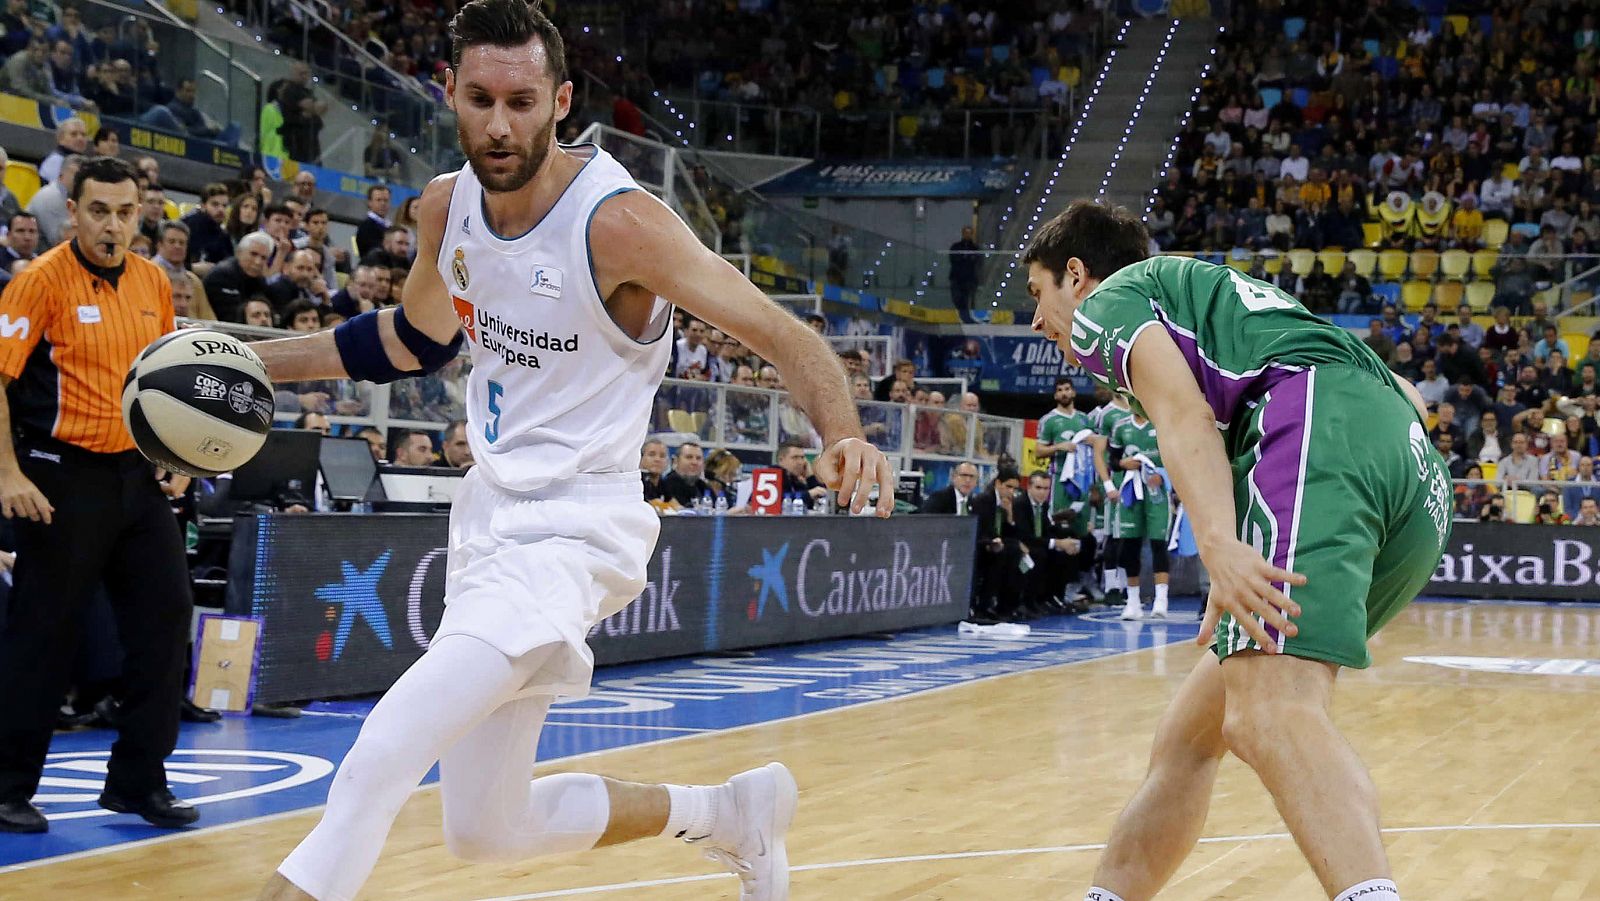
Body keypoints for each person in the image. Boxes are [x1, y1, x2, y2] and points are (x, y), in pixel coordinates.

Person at [247, 6, 894, 899]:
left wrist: (845, 433)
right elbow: (411, 340)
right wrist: (252, 363)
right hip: (488, 524)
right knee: (486, 828)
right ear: (451, 94)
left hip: (575, 530)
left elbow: (783, 334)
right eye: (480, 99)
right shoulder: (446, 208)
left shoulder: (621, 225)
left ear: (561, 100)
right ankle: (725, 814)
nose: (501, 123)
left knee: (377, 762)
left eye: (522, 100)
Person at [1025, 201, 1451, 901]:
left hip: (1322, 429)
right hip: (1413, 479)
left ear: (1076, 274)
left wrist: (1218, 547)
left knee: (1270, 708)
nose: (1038, 321)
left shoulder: (1110, 302)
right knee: (1189, 736)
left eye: (1040, 293)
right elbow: (1404, 393)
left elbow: (1183, 417)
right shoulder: (1219, 302)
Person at [0, 156, 199, 833]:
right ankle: (6, 784)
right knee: (44, 632)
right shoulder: (38, 280)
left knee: (168, 616)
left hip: (136, 475)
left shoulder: (153, 281)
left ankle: (139, 780)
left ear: (141, 213)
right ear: (73, 211)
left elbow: (166, 380)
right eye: (98, 211)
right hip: (59, 476)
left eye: (124, 211)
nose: (112, 224)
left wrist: (175, 458)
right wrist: (6, 473)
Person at [1109, 410, 1173, 620]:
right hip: (1131, 491)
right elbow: (1112, 460)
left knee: (1158, 543)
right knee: (1130, 545)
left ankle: (1161, 600)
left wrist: (1164, 477)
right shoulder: (1121, 426)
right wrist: (1121, 464)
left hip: (1157, 493)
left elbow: (1177, 456)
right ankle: (1133, 601)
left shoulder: (1161, 421)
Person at [948, 225, 979, 323]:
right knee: (957, 298)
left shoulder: (975, 248)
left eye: (969, 233)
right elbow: (953, 259)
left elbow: (976, 261)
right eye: (966, 233)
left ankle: (966, 317)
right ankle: (962, 316)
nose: (967, 235)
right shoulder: (956, 247)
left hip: (969, 278)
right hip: (957, 277)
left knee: (967, 299)